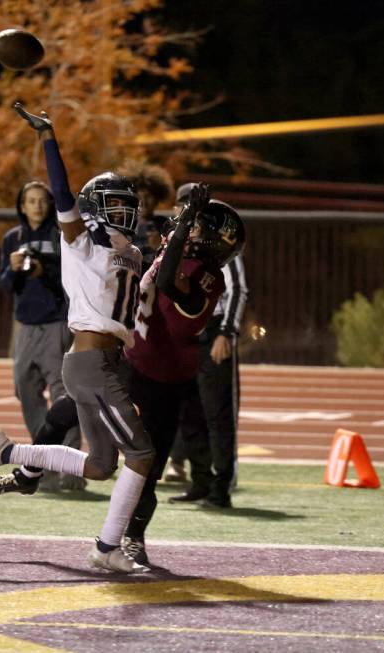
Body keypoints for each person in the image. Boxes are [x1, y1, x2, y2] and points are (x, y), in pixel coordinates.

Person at [0, 103, 160, 573]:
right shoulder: (79, 241)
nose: (124, 212)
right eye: (114, 204)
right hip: (90, 362)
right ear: (93, 210)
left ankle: (6, 451)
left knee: (100, 465)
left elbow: (151, 274)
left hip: (106, 363)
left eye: (127, 205)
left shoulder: (129, 251)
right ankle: (106, 548)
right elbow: (61, 192)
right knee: (144, 453)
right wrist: (49, 138)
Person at [120, 188, 246, 565]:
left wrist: (179, 232)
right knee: (92, 434)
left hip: (162, 378)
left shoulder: (209, 277)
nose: (186, 228)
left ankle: (133, 537)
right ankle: (26, 464)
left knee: (147, 467)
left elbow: (166, 285)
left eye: (196, 227)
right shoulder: (172, 248)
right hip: (131, 359)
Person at [0, 180, 83, 491]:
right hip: (25, 326)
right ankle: (44, 460)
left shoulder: (60, 236)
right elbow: (5, 286)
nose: (36, 206)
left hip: (55, 324)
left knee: (64, 397)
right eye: (30, 200)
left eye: (41, 200)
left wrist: (43, 272)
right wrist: (12, 269)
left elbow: (71, 278)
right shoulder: (13, 238)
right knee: (25, 389)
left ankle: (71, 469)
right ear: (21, 206)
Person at [167, 245, 249, 509]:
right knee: (189, 412)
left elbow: (238, 289)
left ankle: (220, 489)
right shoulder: (182, 244)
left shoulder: (224, 249)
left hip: (214, 330)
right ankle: (200, 482)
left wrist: (227, 332)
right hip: (186, 333)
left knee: (217, 415)